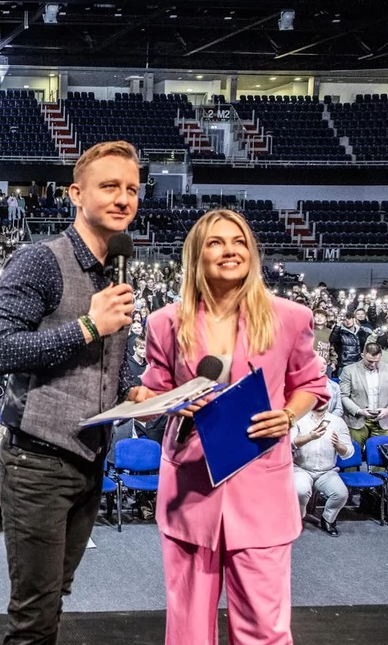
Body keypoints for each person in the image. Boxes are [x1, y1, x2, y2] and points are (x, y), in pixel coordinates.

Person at [132, 209, 329, 645]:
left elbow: (312, 384)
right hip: (189, 491)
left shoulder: (290, 317)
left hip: (261, 491)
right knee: (187, 632)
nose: (230, 250)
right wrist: (145, 401)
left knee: (264, 630)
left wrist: (288, 415)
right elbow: (153, 396)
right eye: (216, 242)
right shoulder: (164, 323)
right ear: (196, 255)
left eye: (239, 242)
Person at [0, 141, 139, 645]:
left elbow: (111, 360)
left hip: (90, 459)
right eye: (109, 186)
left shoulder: (116, 269)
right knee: (33, 615)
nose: (123, 198)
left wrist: (133, 389)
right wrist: (87, 327)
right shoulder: (39, 260)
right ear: (76, 194)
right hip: (37, 463)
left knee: (54, 598)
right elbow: (0, 351)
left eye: (132, 189)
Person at [291, 401, 353, 536]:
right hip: (301, 468)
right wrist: (310, 437)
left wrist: (338, 446)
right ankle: (298, 517)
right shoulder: (299, 419)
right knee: (300, 490)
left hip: (327, 471)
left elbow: (348, 452)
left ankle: (328, 520)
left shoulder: (338, 422)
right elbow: (290, 443)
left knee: (341, 494)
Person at [339, 342, 388, 449]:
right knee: (354, 454)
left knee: (381, 456)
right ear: (362, 355)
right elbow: (343, 396)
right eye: (370, 361)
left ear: (381, 356)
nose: (373, 365)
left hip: (383, 420)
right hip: (357, 420)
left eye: (377, 361)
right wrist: (358, 411)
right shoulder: (349, 370)